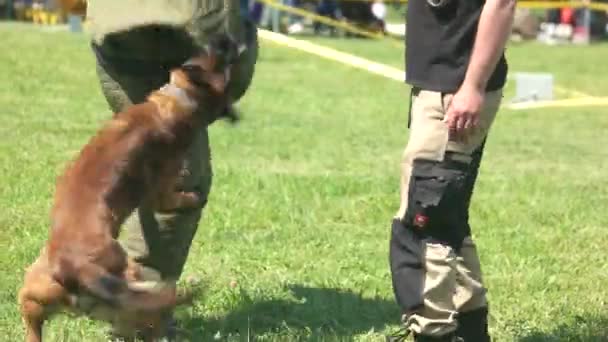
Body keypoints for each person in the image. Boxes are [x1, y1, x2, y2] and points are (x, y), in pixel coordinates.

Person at [57, 0, 258, 339]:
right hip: (185, 22)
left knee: (156, 165)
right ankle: (137, 319)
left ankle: (120, 298)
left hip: (117, 26)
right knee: (179, 179)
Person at [387, 0, 515, 341]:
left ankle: (433, 331)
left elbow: (501, 4)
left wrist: (472, 86)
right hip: (441, 85)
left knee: (422, 224)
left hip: (456, 91)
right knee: (447, 220)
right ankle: (471, 332)